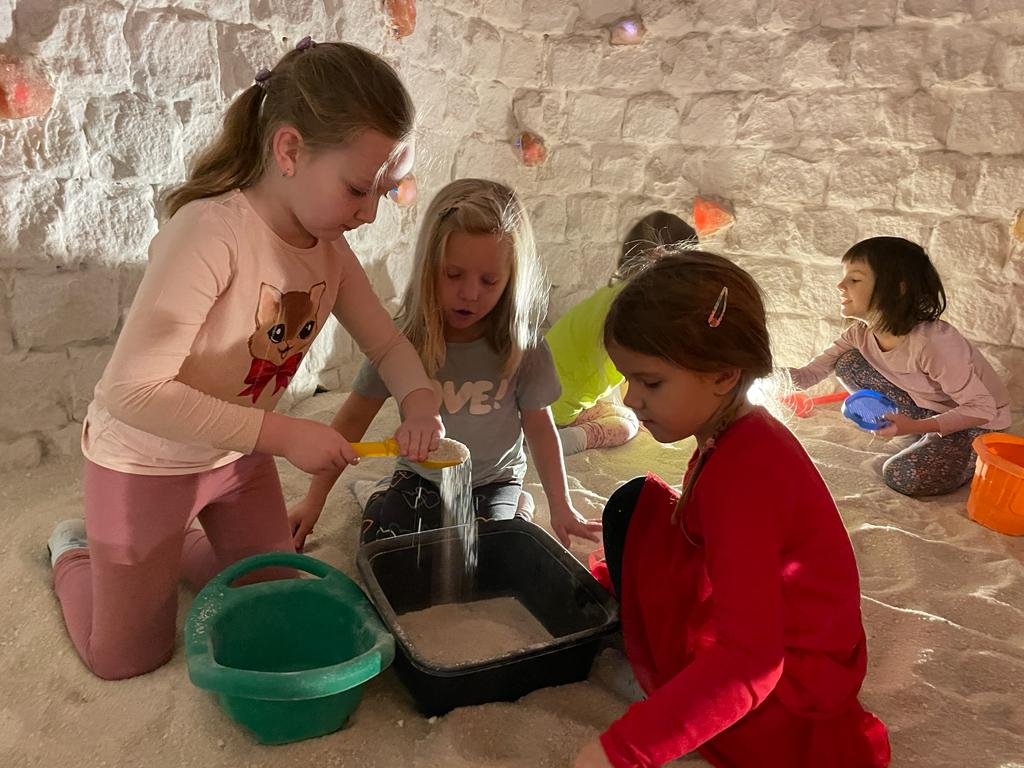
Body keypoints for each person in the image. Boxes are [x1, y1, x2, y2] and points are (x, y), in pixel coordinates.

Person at [46, 38, 443, 680]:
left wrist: (421, 402)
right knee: (126, 658)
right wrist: (284, 434)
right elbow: (132, 391)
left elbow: (390, 344)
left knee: (276, 603)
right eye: (357, 189)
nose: (371, 213)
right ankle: (74, 551)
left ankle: (177, 546)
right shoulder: (210, 233)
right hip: (144, 460)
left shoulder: (332, 251)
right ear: (289, 151)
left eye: (386, 192)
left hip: (234, 458)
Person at [573, 250, 890, 768]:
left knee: (635, 522)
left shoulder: (745, 473)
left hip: (791, 678)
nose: (630, 398)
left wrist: (622, 750)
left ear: (722, 374)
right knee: (634, 509)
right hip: (778, 625)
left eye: (651, 382)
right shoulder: (734, 432)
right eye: (629, 379)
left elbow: (752, 661)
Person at [288, 178, 601, 551]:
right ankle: (377, 494)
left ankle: (518, 505)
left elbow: (541, 429)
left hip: (493, 480)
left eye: (489, 280)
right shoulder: (399, 344)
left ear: (511, 280)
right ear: (429, 268)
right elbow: (351, 421)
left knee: (488, 555)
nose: (470, 293)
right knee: (383, 550)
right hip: (421, 476)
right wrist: (313, 500)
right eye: (453, 275)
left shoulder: (523, 348)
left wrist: (561, 506)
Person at [790, 236, 1010, 496]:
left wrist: (914, 426)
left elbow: (982, 408)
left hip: (978, 421)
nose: (840, 286)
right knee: (848, 363)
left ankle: (954, 448)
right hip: (927, 408)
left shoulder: (934, 343)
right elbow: (808, 375)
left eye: (855, 279)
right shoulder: (858, 334)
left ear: (898, 289)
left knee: (902, 475)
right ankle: (920, 434)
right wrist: (762, 372)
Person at [546, 211, 696, 456]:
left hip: (535, 383)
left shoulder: (612, 292)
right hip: (556, 407)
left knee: (621, 407)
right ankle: (567, 440)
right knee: (626, 423)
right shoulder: (639, 313)